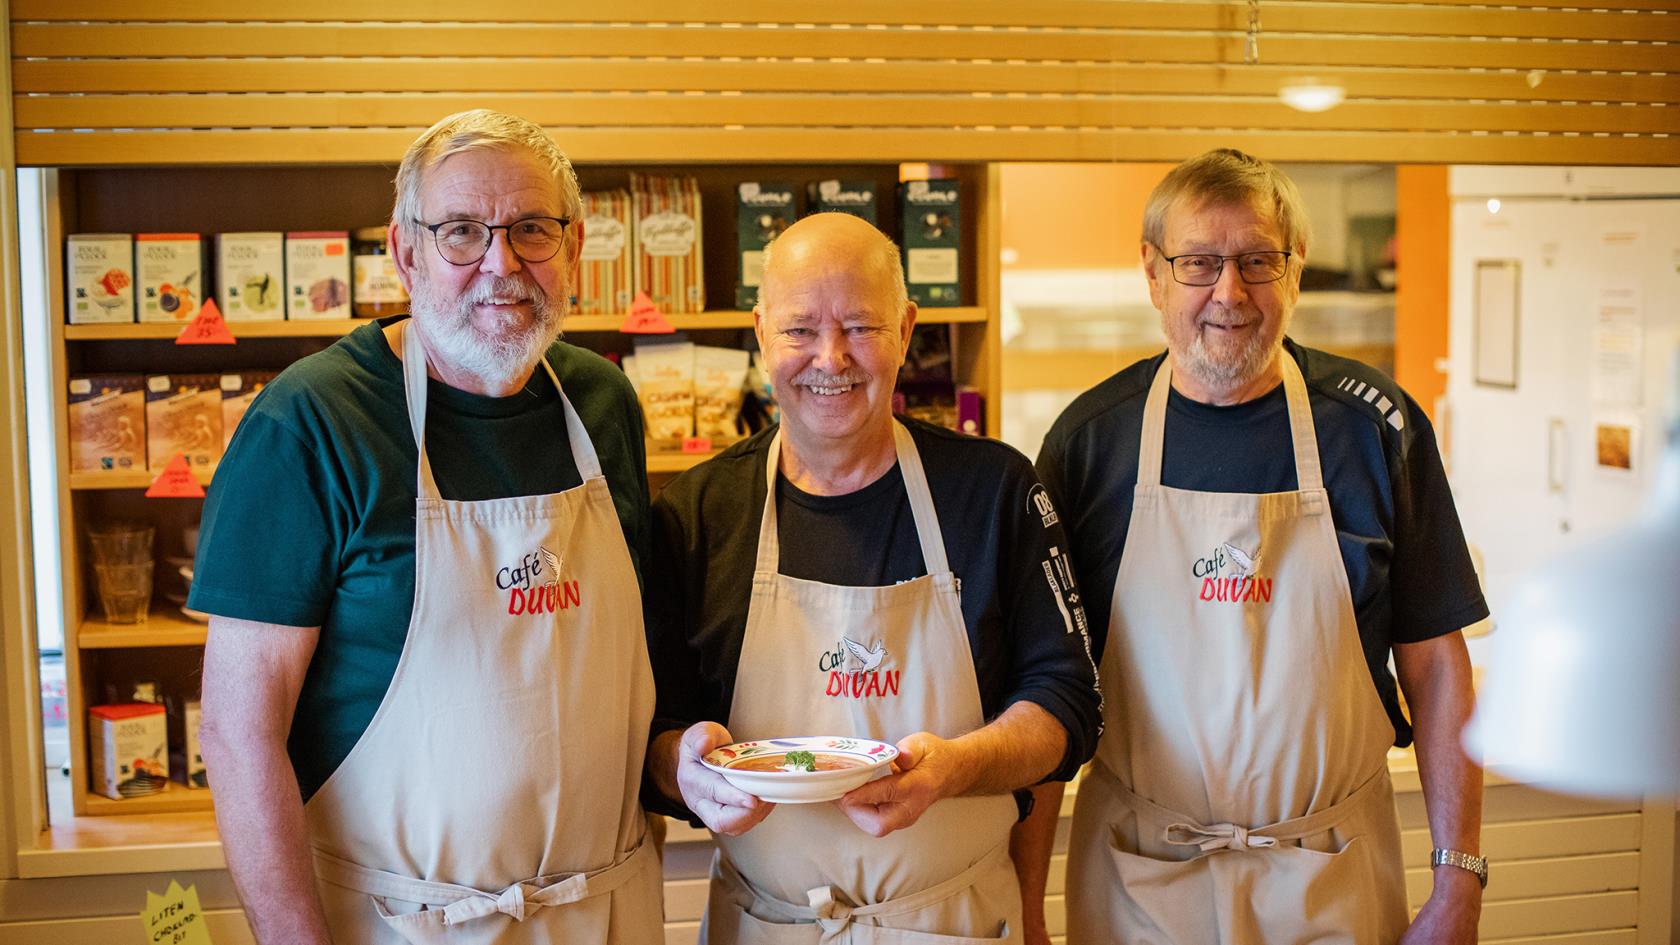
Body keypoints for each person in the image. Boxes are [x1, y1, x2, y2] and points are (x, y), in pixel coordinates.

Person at [193, 109, 661, 944]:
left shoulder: (604, 405)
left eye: (531, 230)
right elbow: (238, 731)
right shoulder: (310, 425)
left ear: (576, 246)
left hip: (608, 912)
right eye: (461, 232)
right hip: (405, 924)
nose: (501, 263)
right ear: (406, 252)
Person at [1031, 148, 1487, 944]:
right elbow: (1041, 688)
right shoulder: (1088, 442)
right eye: (1200, 263)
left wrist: (1460, 880)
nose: (1229, 292)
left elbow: (1437, 664)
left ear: (1296, 269)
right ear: (1153, 273)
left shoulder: (1375, 428)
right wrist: (1026, 907)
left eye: (1257, 261)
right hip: (1142, 876)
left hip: (1331, 876)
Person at [643, 212, 1103, 944]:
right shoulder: (701, 511)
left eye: (860, 325)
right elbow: (654, 731)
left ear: (905, 326)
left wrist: (954, 768)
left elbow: (1068, 701)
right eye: (799, 330)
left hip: (957, 921)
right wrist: (684, 766)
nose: (831, 358)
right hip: (768, 926)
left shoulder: (993, 492)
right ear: (760, 333)